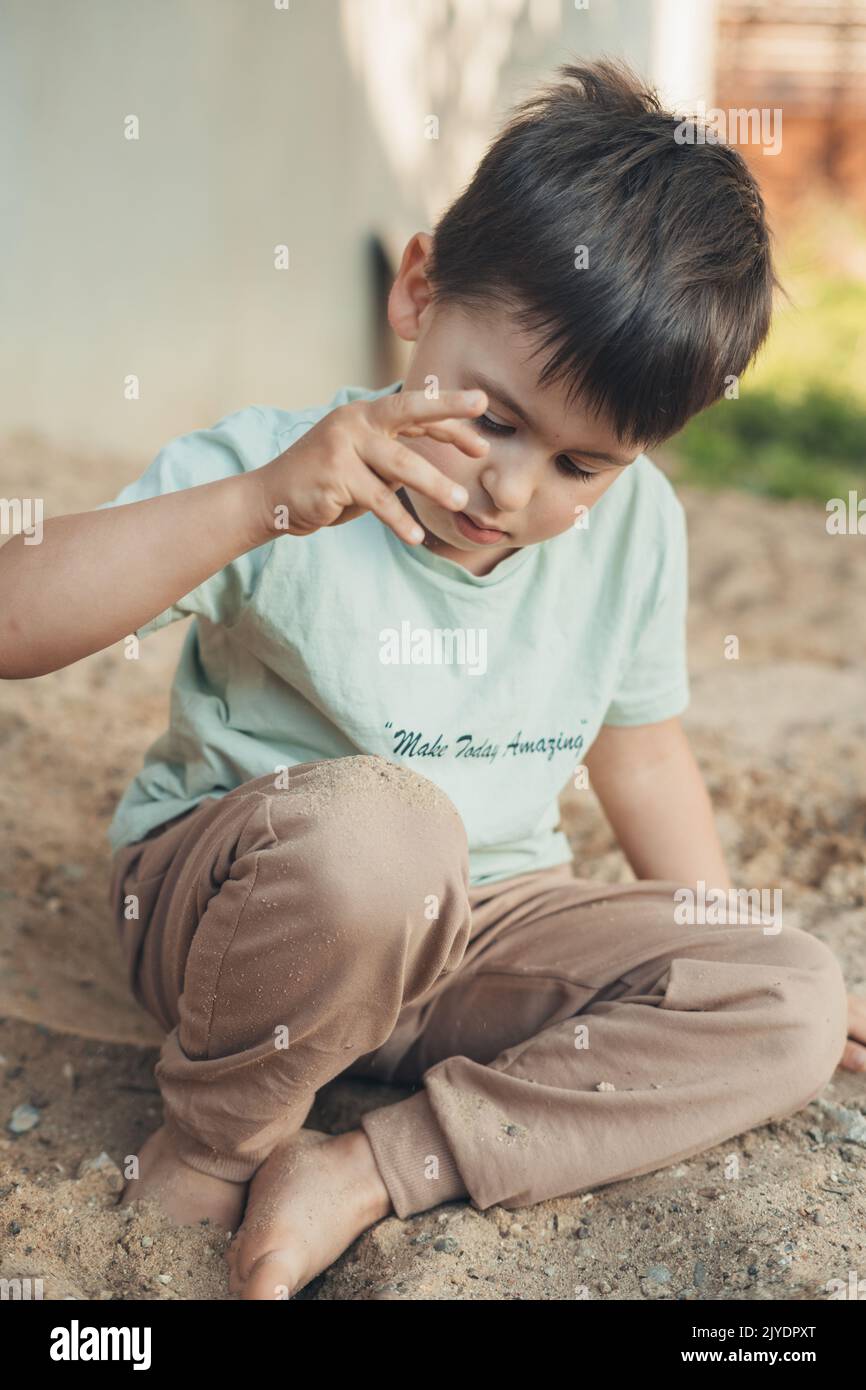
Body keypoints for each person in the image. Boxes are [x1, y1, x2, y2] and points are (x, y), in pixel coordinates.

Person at [2, 60, 859, 1302]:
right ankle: (213, 1147)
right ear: (416, 290)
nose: (511, 494)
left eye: (580, 464)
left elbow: (645, 752)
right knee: (389, 838)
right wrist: (250, 508)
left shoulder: (635, 531)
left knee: (789, 988)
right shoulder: (270, 468)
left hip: (487, 930)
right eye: (494, 423)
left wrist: (707, 948)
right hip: (251, 911)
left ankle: (360, 1169)